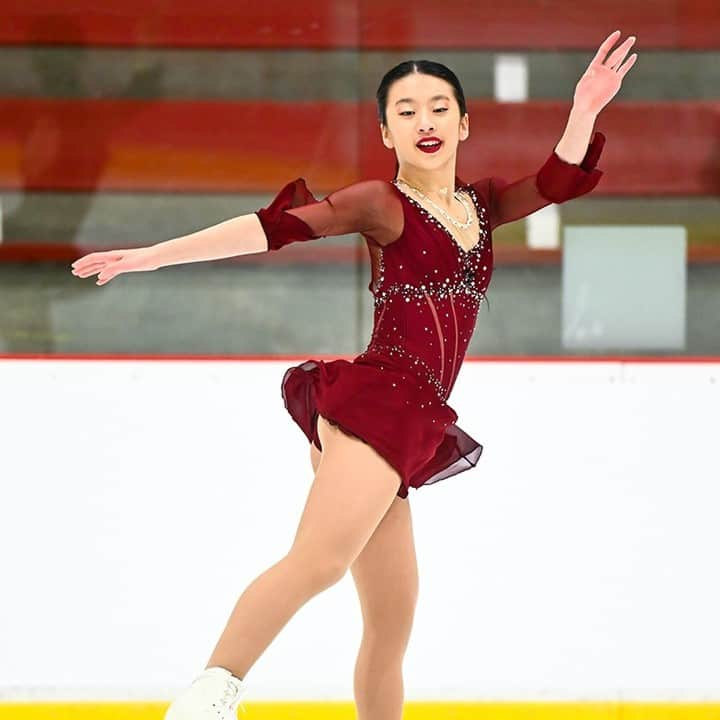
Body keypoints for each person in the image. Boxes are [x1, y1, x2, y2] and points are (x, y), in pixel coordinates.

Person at [70, 30, 637, 720]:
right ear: (386, 131)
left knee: (391, 624)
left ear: (464, 123)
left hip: (408, 422)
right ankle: (209, 696)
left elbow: (554, 183)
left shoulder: (481, 208)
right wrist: (154, 256)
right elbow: (274, 228)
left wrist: (585, 108)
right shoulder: (381, 203)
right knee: (320, 563)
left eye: (437, 107)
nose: (424, 121)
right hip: (376, 402)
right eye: (406, 111)